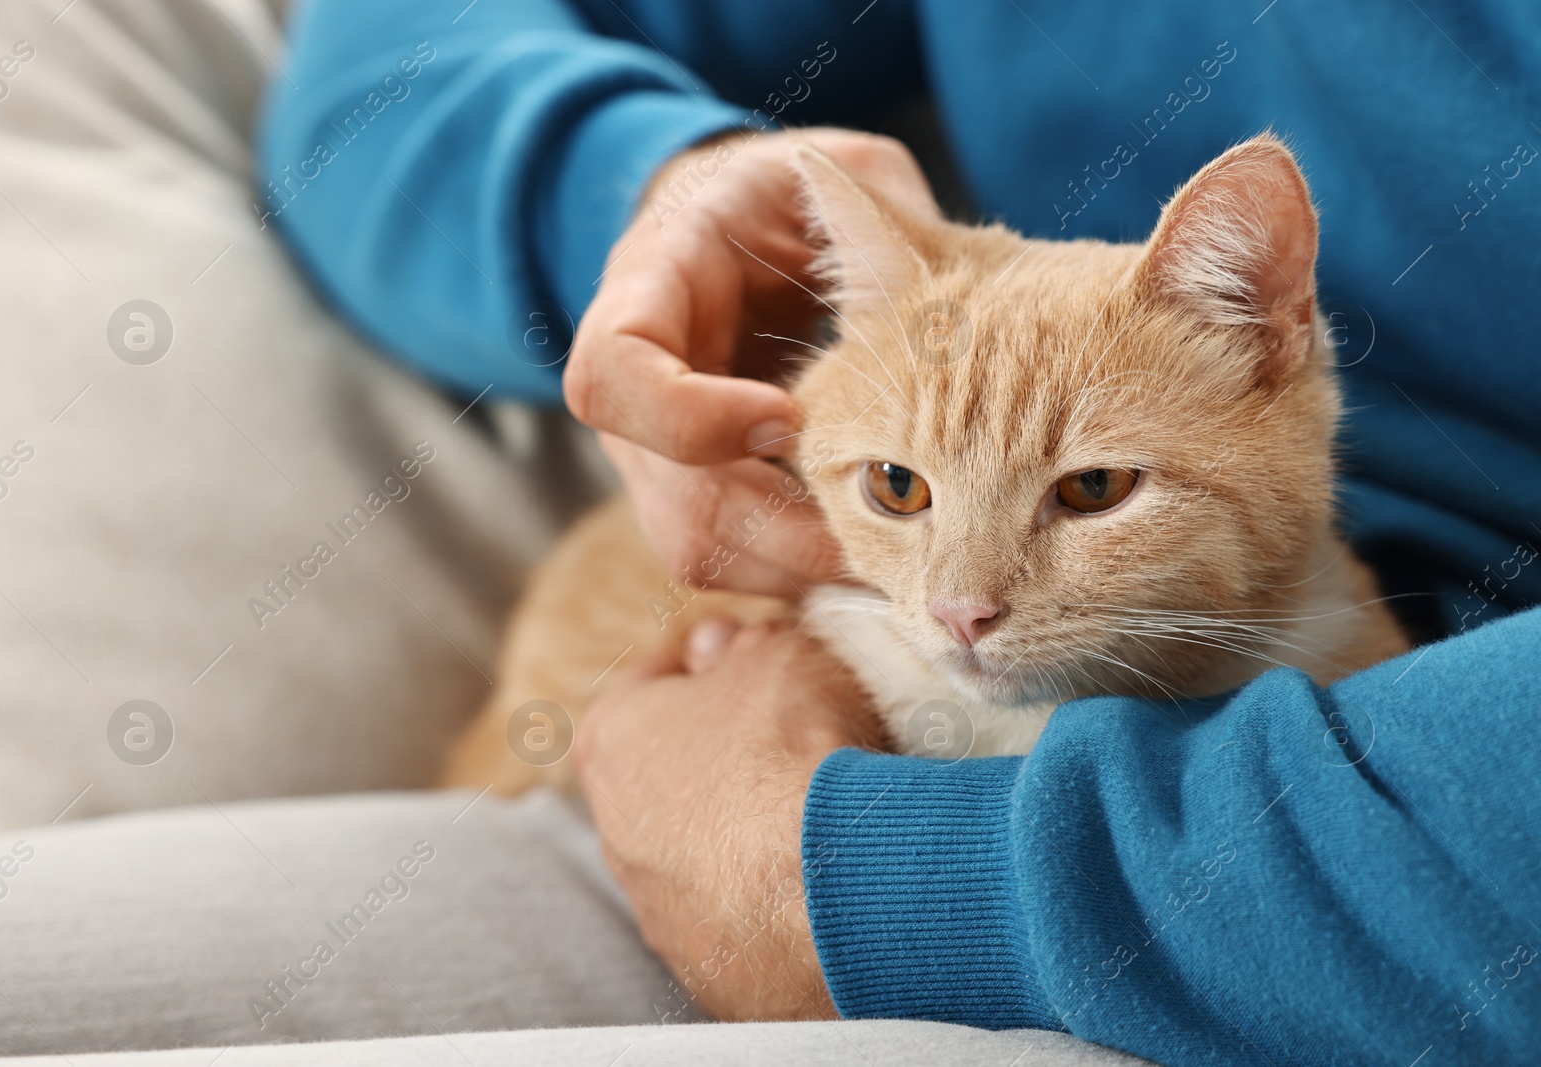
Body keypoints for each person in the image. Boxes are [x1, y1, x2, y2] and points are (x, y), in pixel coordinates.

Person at [261, 1, 1541, 1063]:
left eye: (1089, 492)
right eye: (902, 493)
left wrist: (867, 876)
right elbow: (373, 75)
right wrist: (652, 196)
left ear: (1265, 345)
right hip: (646, 802)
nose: (964, 598)